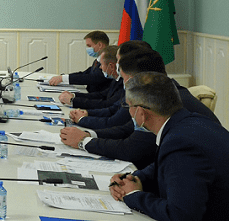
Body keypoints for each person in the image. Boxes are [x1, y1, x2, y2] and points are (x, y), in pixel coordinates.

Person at [108, 72, 229, 221]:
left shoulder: (180, 143)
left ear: (141, 112)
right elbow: (170, 167)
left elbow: (182, 216)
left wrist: (133, 196)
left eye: (128, 106)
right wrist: (136, 178)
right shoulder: (192, 123)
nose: (129, 113)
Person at [59, 50, 218, 169]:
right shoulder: (165, 91)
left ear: (138, 79)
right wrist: (88, 136)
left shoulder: (162, 103)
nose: (123, 83)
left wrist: (83, 142)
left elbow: (133, 149)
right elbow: (127, 129)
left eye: (124, 79)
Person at [58, 45, 123, 109]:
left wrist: (73, 101)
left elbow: (106, 104)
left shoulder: (122, 84)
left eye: (102, 64)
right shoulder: (116, 80)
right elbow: (101, 95)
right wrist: (74, 95)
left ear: (111, 66)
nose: (100, 67)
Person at [47, 30, 113, 93]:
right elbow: (85, 74)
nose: (88, 48)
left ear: (100, 45)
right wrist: (63, 77)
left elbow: (92, 78)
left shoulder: (108, 61)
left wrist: (63, 78)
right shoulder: (97, 60)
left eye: (89, 46)